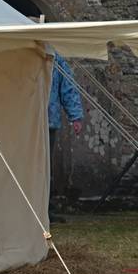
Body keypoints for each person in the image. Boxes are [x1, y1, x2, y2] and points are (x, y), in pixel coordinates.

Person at [48, 52, 84, 209]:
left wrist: (75, 116)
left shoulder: (56, 59)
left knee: (45, 166)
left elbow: (67, 87)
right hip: (25, 123)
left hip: (49, 121)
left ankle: (45, 207)